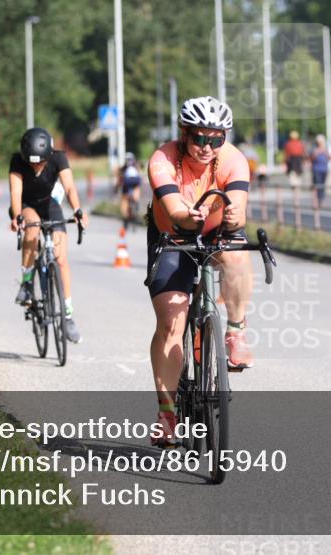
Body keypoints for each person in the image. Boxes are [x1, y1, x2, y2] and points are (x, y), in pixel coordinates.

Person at [146, 96, 254, 446]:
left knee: (237, 256)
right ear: (183, 134)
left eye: (215, 139)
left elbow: (238, 205)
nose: (207, 147)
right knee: (171, 323)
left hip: (217, 229)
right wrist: (185, 216)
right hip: (172, 233)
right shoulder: (163, 159)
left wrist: (234, 214)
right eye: (199, 139)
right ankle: (167, 414)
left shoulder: (234, 159)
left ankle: (234, 331)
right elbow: (174, 207)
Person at [9, 128, 89, 342]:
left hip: (49, 205)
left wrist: (78, 211)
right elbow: (16, 193)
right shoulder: (17, 161)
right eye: (31, 163)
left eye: (39, 163)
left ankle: (68, 316)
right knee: (32, 229)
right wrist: (17, 217)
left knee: (61, 259)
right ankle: (26, 283)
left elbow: (70, 187)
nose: (35, 166)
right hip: (25, 206)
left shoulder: (58, 158)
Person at [117, 152, 143, 229]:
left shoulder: (124, 168)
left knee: (124, 200)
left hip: (127, 184)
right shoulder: (136, 166)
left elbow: (120, 180)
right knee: (135, 195)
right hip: (135, 183)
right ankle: (136, 205)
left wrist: (117, 188)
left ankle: (126, 217)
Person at [310, 134, 330, 207]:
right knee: (317, 185)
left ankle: (321, 199)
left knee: (322, 185)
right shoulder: (314, 148)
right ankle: (317, 200)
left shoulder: (325, 148)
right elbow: (311, 158)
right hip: (316, 169)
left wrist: (325, 152)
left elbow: (328, 157)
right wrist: (316, 153)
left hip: (324, 169)